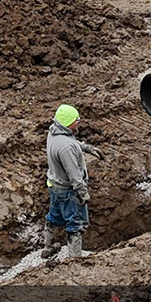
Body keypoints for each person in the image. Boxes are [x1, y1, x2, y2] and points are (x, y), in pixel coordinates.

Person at [44, 103, 103, 261]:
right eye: (76, 120)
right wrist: (82, 192)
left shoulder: (54, 132)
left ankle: (48, 247)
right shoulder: (67, 147)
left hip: (54, 185)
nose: (79, 122)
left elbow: (68, 142)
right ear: (68, 123)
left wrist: (86, 148)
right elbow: (74, 174)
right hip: (68, 190)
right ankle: (75, 260)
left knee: (54, 216)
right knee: (76, 223)